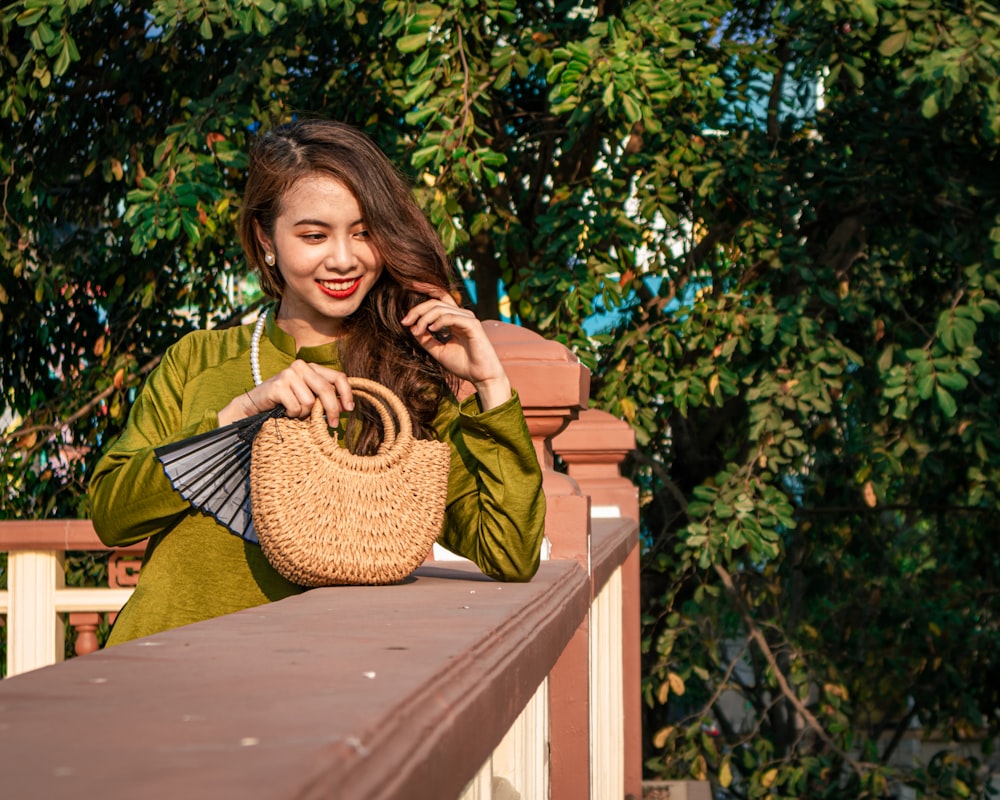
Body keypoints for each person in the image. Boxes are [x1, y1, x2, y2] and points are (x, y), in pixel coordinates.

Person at [89, 118, 546, 646]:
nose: (344, 259)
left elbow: (510, 551)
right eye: (313, 235)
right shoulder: (198, 360)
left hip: (302, 694)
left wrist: (490, 382)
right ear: (266, 238)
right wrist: (233, 418)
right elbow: (111, 518)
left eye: (364, 232)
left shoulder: (405, 386)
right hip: (156, 668)